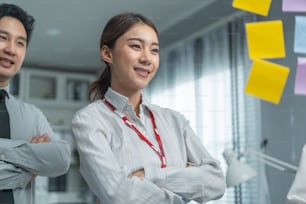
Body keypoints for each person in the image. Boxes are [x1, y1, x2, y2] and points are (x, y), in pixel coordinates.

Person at [72, 12, 225, 204]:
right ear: (107, 53)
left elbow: (216, 182)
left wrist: (150, 176)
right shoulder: (90, 121)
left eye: (154, 50)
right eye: (136, 46)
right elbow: (118, 195)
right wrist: (185, 177)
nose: (147, 58)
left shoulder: (175, 121)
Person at [0, 3, 71, 204]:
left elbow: (61, 158)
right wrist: (29, 168)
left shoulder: (32, 114)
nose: (11, 49)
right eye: (2, 38)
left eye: (20, 43)